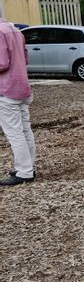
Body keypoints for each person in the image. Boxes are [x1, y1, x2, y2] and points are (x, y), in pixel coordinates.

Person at [0, 17, 35, 186]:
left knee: (15, 133)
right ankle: (29, 167)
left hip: (6, 90)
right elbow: (26, 59)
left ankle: (24, 171)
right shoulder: (16, 30)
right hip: (22, 86)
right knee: (25, 129)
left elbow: (2, 63)